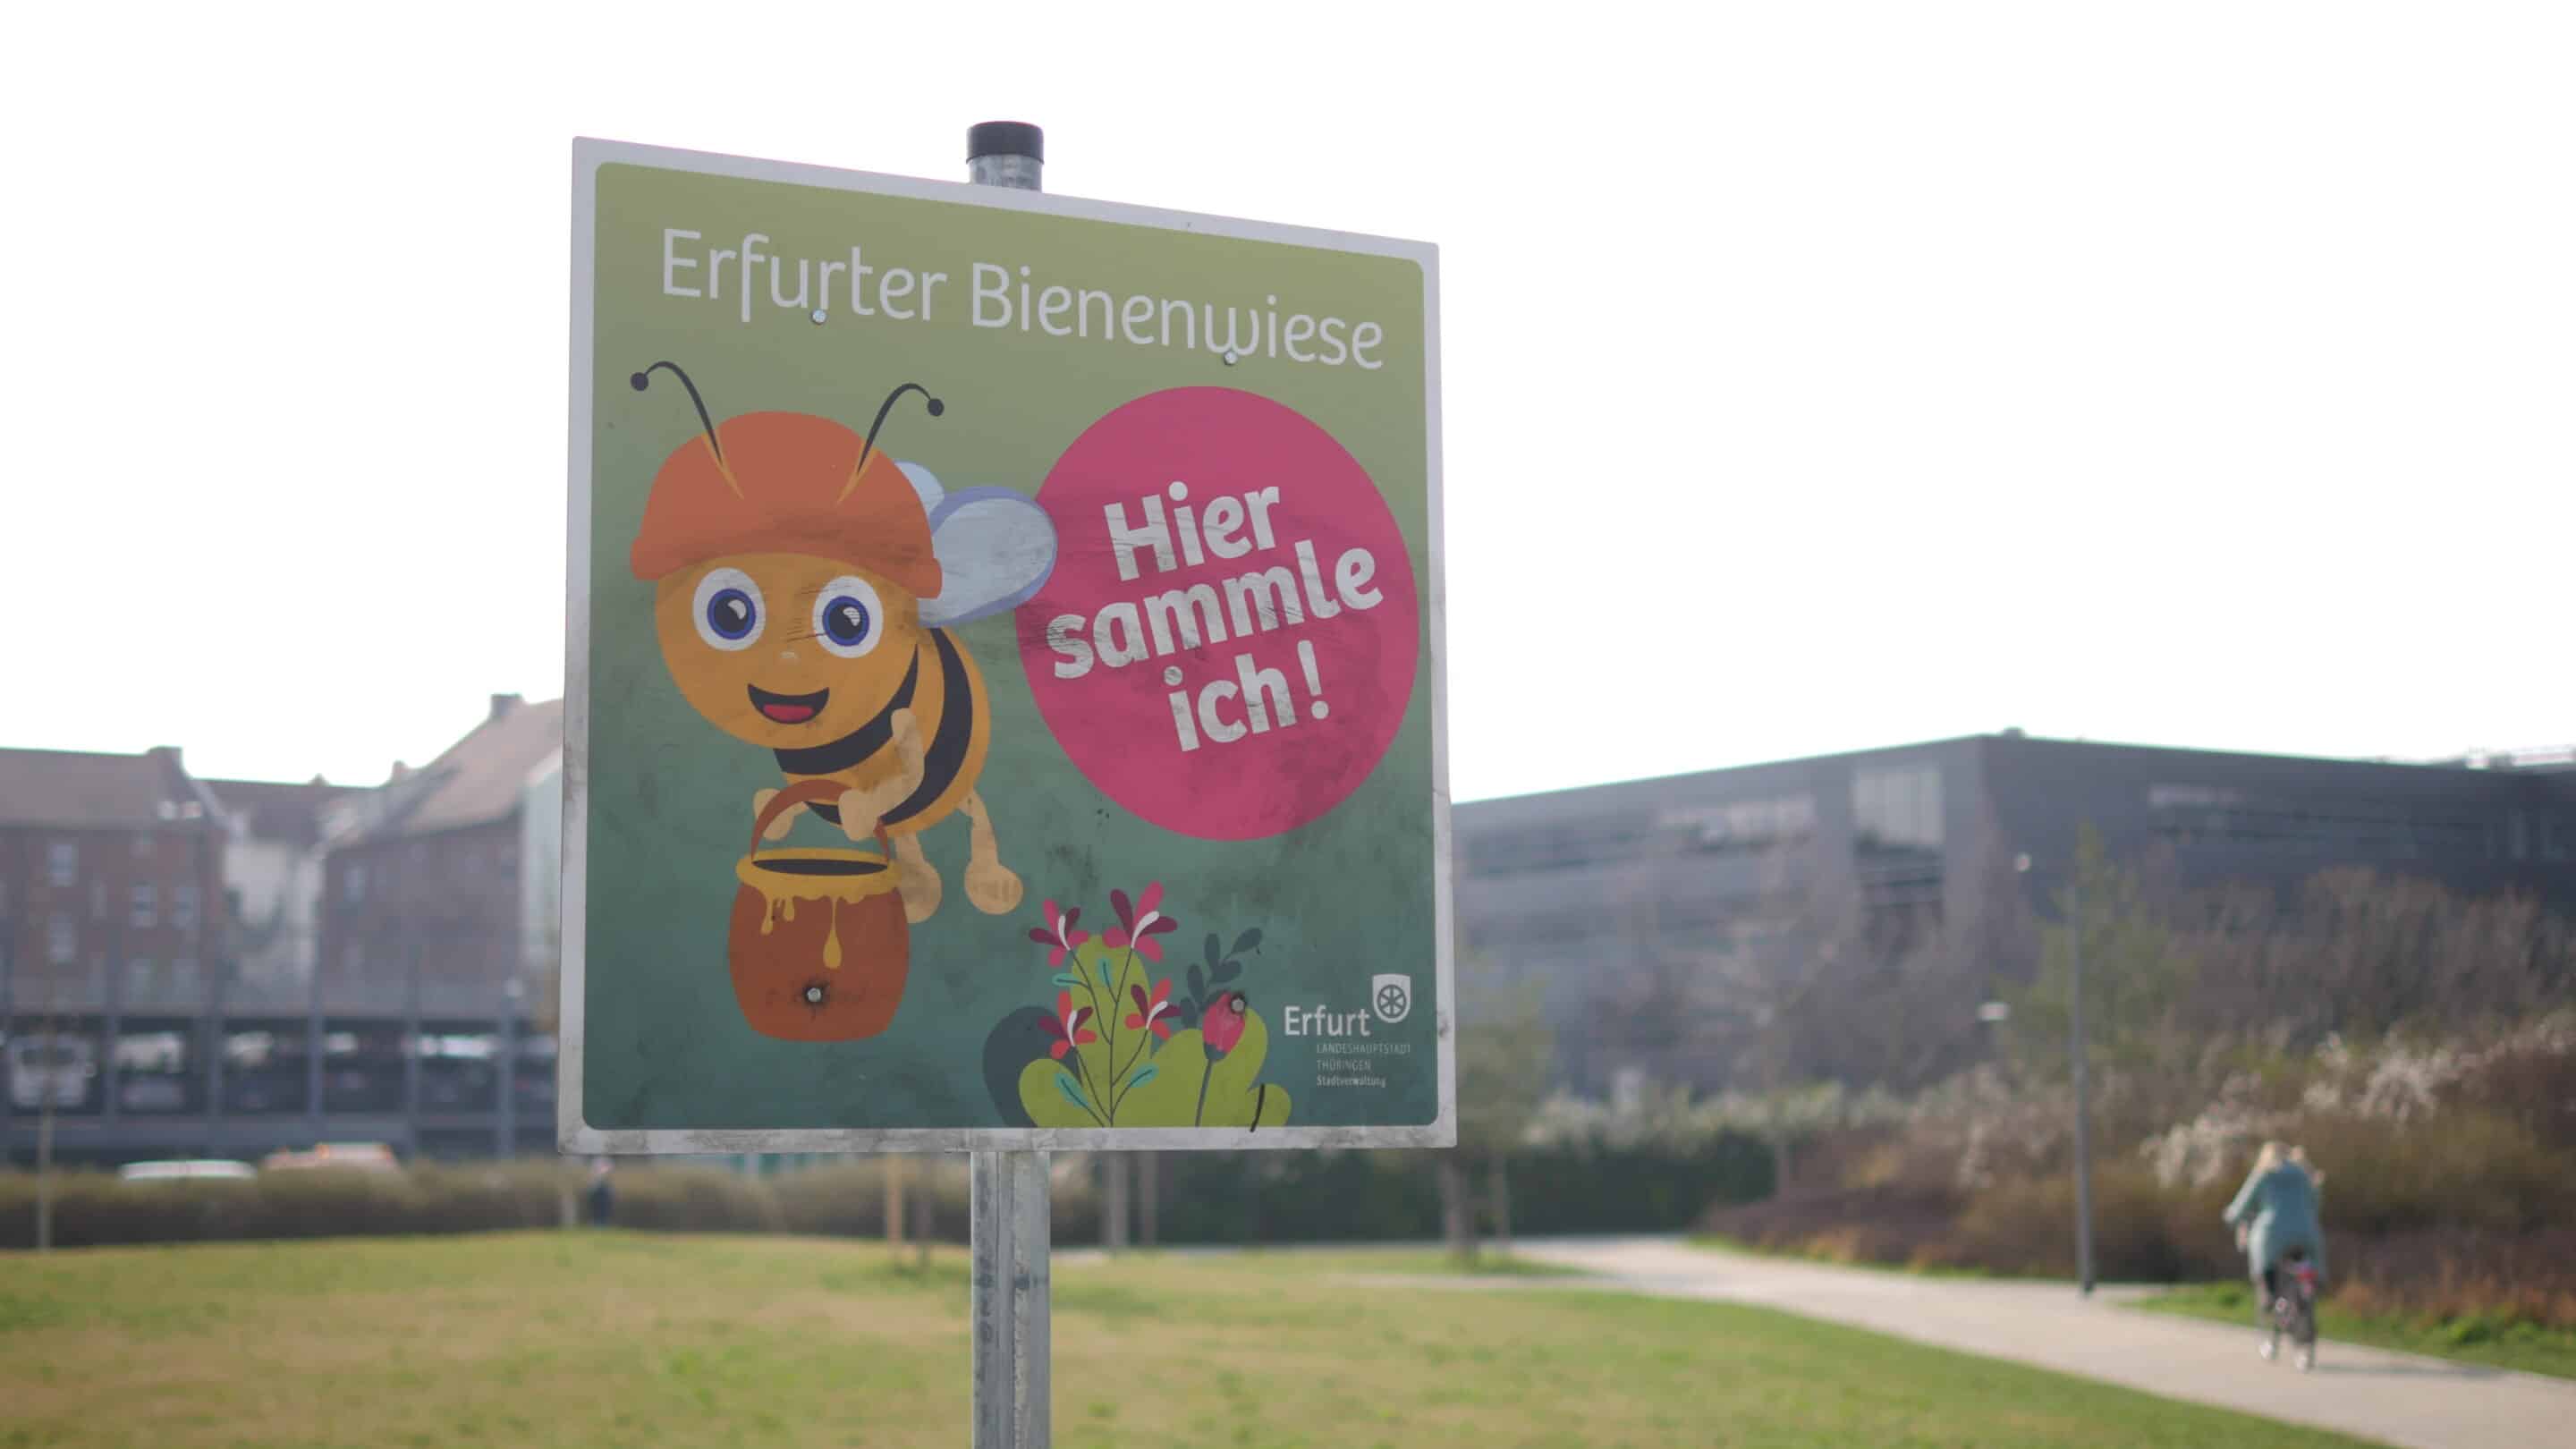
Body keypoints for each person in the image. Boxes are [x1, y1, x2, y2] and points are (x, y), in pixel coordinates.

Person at [2222, 1140, 2325, 1323]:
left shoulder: (2264, 1174)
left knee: (2263, 1258)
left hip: (2272, 1234)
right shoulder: (2302, 1174)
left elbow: (2241, 1206)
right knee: (2301, 1264)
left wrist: (2231, 1217)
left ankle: (2270, 1296)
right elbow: (2315, 1201)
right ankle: (2306, 1298)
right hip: (2306, 1232)